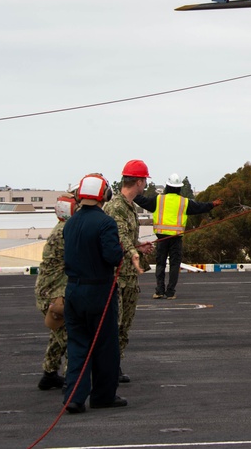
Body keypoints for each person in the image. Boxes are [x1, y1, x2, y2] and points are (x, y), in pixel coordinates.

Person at [61, 173, 139, 413]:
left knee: (77, 345)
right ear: (104, 195)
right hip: (98, 291)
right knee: (105, 345)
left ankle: (74, 397)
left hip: (72, 290)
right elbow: (113, 257)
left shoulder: (70, 222)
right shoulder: (105, 222)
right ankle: (103, 395)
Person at [103, 159, 154, 384]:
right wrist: (133, 253)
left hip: (129, 277)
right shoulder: (116, 207)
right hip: (118, 276)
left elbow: (128, 239)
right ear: (139, 181)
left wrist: (138, 246)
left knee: (124, 324)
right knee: (115, 324)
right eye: (145, 181)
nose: (145, 185)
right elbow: (120, 238)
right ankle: (108, 367)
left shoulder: (130, 207)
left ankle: (115, 364)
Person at [134, 173, 221, 300]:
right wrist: (212, 204)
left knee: (161, 264)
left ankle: (159, 291)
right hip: (176, 238)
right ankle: (170, 292)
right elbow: (200, 207)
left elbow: (143, 201)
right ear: (179, 188)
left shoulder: (158, 200)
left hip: (162, 238)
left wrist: (130, 193)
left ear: (167, 186)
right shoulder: (184, 202)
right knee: (174, 265)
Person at [33, 188, 76, 391]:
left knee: (58, 334)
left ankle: (49, 374)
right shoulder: (66, 231)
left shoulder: (60, 228)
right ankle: (72, 381)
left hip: (52, 291)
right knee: (72, 338)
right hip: (54, 294)